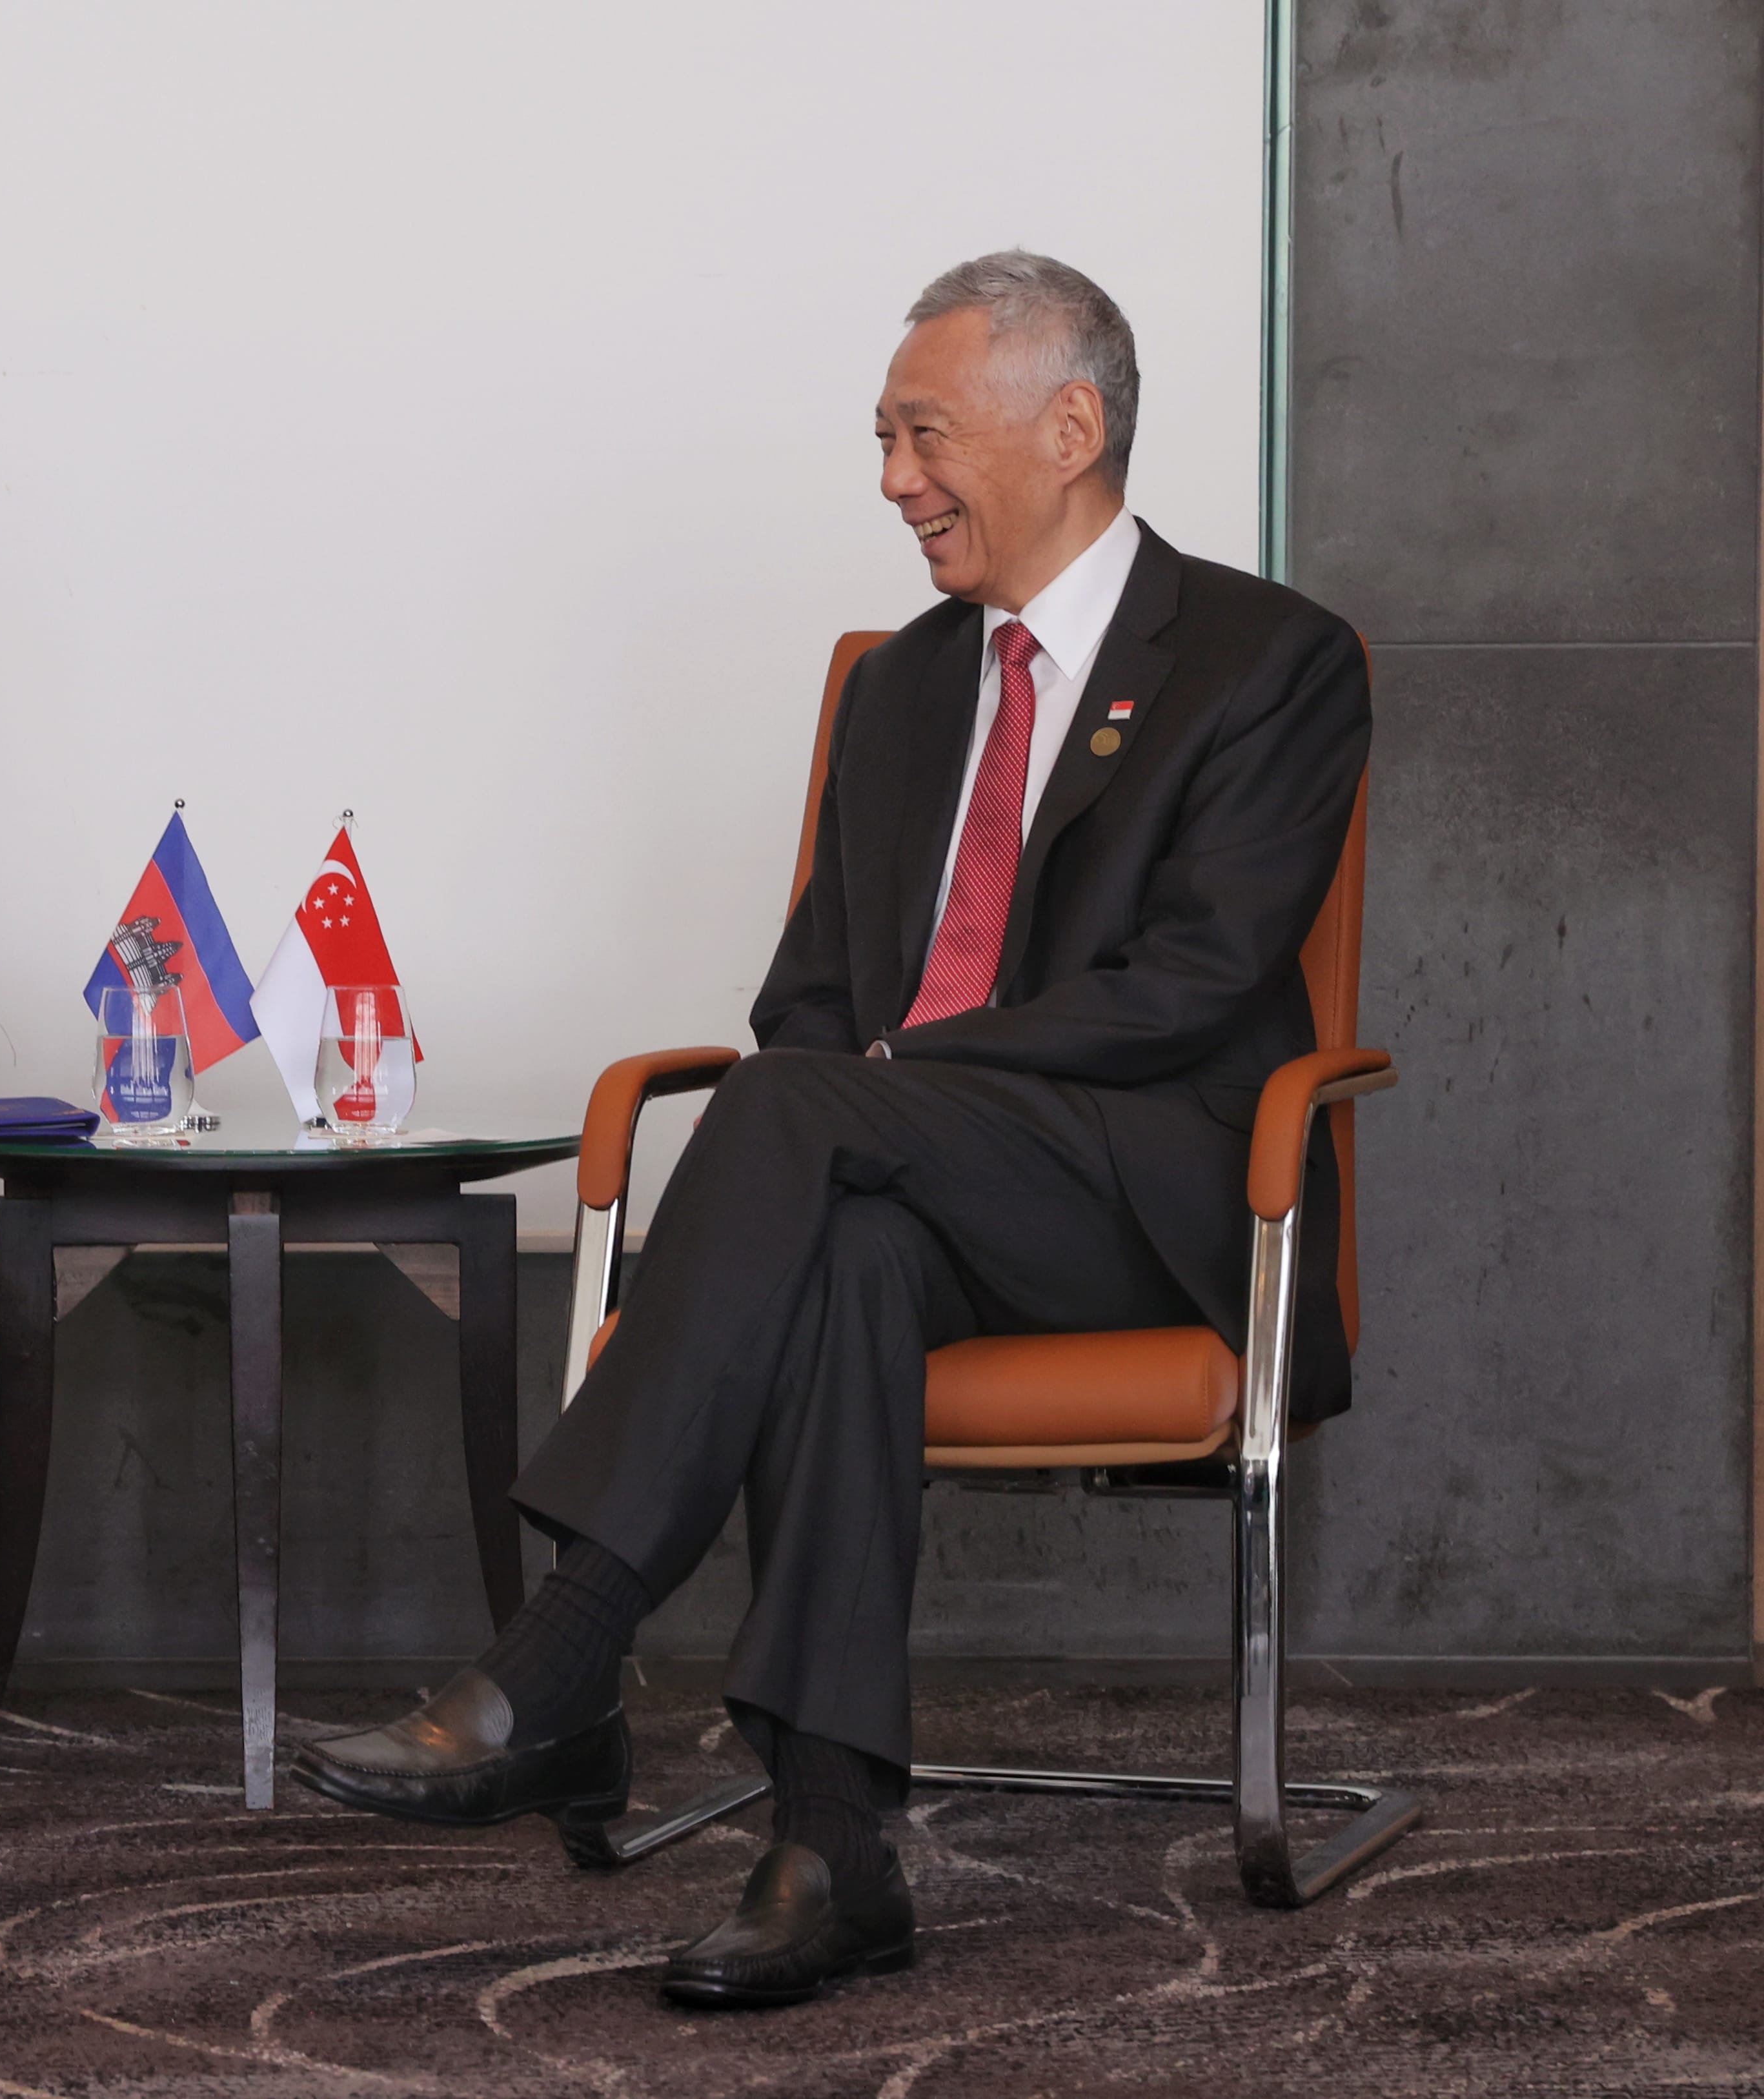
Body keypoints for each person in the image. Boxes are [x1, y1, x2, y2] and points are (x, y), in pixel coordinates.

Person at [290, 253, 1371, 2011]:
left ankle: (565, 1652)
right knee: (844, 1244)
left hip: (1154, 1187)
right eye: (881, 440)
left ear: (1072, 425)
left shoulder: (1266, 658)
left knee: (810, 1117)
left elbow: (1195, 981)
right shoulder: (900, 689)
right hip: (904, 1192)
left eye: (922, 435)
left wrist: (895, 1085)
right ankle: (829, 1846)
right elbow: (808, 998)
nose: (892, 482)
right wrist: (868, 1100)